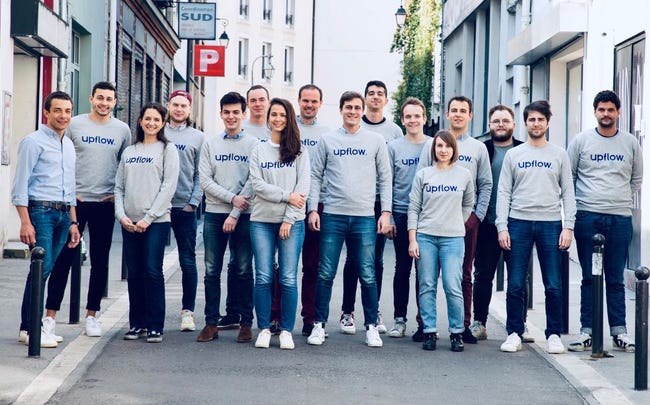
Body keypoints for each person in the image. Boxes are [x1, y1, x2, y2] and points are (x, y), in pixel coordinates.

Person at [44, 82, 130, 339]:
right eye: (100, 98)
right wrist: (68, 193)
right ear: (91, 98)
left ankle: (92, 316)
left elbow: (125, 167)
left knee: (100, 261)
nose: (104, 103)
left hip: (105, 204)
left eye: (109, 99)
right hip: (75, 202)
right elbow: (61, 160)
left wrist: (117, 194)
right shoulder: (75, 125)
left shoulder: (122, 130)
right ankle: (50, 316)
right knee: (63, 259)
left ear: (115, 102)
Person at [306, 91, 392, 348]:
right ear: (341, 110)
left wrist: (385, 212)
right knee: (325, 272)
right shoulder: (327, 140)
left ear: (361, 110)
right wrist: (313, 209)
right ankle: (319, 325)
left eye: (356, 107)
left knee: (367, 274)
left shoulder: (375, 140)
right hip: (333, 215)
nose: (353, 111)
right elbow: (315, 175)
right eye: (348, 107)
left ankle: (371, 327)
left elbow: (385, 177)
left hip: (364, 216)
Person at [496, 100, 575, 354]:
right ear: (525, 123)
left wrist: (568, 226)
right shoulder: (514, 154)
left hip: (550, 223)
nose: (536, 123)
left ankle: (554, 334)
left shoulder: (559, 154)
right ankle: (514, 332)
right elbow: (503, 192)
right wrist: (502, 226)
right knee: (516, 283)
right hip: (518, 222)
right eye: (532, 119)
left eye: (541, 119)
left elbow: (568, 192)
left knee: (553, 284)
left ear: (548, 123)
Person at [567, 90, 642, 353]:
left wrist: (617, 199)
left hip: (620, 218)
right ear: (595, 112)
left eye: (611, 109)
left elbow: (636, 179)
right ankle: (587, 331)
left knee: (615, 278)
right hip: (587, 216)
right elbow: (569, 176)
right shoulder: (581, 141)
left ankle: (619, 332)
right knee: (589, 277)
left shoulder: (630, 143)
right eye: (601, 109)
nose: (606, 114)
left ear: (618, 112)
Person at [417, 96, 492, 344]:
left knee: (461, 276)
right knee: (426, 278)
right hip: (431, 224)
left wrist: (475, 217)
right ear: (447, 114)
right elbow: (421, 181)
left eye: (463, 110)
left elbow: (485, 184)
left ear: (470, 115)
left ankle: (463, 326)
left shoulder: (478, 148)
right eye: (454, 110)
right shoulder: (432, 145)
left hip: (464, 222)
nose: (458, 114)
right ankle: (425, 326)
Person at [13, 91, 80, 348]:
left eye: (68, 111)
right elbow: (20, 184)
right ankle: (31, 329)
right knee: (41, 267)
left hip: (63, 213)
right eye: (58, 110)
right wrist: (25, 221)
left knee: (46, 269)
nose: (63, 116)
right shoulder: (33, 142)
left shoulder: (69, 145)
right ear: (46, 112)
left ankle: (29, 327)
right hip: (41, 211)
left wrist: (73, 222)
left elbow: (70, 187)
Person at [340, 80, 403, 334]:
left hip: (380, 203)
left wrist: (389, 211)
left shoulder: (394, 131)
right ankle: (347, 311)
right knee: (353, 258)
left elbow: (394, 172)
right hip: (356, 202)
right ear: (365, 99)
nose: (375, 97)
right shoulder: (355, 124)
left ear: (386, 100)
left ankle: (373, 310)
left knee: (375, 259)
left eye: (380, 94)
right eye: (371, 93)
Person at [115, 102, 179, 343]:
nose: (151, 123)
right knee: (134, 273)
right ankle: (137, 324)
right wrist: (121, 215)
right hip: (129, 222)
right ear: (140, 121)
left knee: (152, 271)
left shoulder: (168, 150)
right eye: (147, 119)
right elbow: (119, 187)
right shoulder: (129, 151)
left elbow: (168, 187)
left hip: (156, 222)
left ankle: (154, 326)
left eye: (156, 119)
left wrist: (148, 218)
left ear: (163, 124)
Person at [249, 98, 310, 349]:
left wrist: (288, 219)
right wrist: (286, 196)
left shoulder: (300, 151)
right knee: (263, 277)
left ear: (289, 118)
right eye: (274, 114)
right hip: (261, 221)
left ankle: (286, 330)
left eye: (283, 115)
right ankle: (264, 328)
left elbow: (303, 189)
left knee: (287, 278)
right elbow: (257, 185)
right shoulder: (258, 150)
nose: (278, 119)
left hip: (291, 223)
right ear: (268, 118)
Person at [197, 92, 258, 343]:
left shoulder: (254, 144)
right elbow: (205, 180)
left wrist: (235, 211)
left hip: (244, 215)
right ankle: (211, 323)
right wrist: (232, 199)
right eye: (226, 112)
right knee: (212, 271)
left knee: (243, 269)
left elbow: (254, 180)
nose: (231, 116)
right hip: (214, 214)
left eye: (236, 112)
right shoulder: (210, 144)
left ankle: (246, 323)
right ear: (221, 114)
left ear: (243, 114)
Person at [408, 130, 474, 351]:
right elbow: (413, 208)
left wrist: (457, 221)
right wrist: (413, 239)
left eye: (447, 146)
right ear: (433, 149)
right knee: (427, 284)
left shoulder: (463, 175)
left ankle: (456, 332)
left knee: (452, 284)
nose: (443, 150)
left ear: (454, 149)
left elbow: (468, 204)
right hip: (426, 236)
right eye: (439, 146)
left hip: (453, 239)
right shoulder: (423, 175)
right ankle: (429, 331)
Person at [469, 104, 529, 341]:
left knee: (518, 277)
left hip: (518, 223)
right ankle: (479, 322)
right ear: (489, 125)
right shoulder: (482, 149)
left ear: (513, 124)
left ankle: (519, 324)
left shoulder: (524, 149)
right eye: (496, 121)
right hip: (487, 223)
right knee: (483, 275)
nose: (501, 125)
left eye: (505, 121)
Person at [386, 97, 428, 338]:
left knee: (425, 273)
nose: (413, 120)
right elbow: (387, 183)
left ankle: (425, 322)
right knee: (402, 268)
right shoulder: (393, 147)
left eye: (417, 116)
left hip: (428, 216)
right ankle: (399, 320)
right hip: (401, 213)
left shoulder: (434, 145)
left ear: (424, 118)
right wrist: (390, 216)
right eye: (408, 116)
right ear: (402, 120)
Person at [164, 89, 205, 332]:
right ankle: (152, 310)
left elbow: (201, 173)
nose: (179, 109)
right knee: (152, 262)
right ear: (168, 106)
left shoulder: (198, 138)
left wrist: (193, 203)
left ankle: (187, 311)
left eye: (183, 106)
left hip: (184, 207)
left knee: (187, 261)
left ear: (189, 110)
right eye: (175, 104)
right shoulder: (158, 131)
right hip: (159, 208)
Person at [295, 84, 331, 337]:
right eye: (305, 100)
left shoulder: (326, 134)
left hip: (317, 205)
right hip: (291, 202)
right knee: (283, 266)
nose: (309, 105)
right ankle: (277, 317)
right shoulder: (289, 128)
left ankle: (310, 318)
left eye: (314, 101)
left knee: (313, 266)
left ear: (320, 103)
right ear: (298, 101)